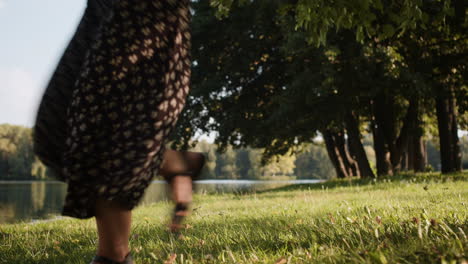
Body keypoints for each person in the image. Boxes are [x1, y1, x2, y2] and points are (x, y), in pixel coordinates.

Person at [32, 0, 205, 263]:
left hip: (145, 11)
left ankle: (114, 256)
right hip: (102, 7)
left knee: (101, 129)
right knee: (55, 128)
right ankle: (175, 163)